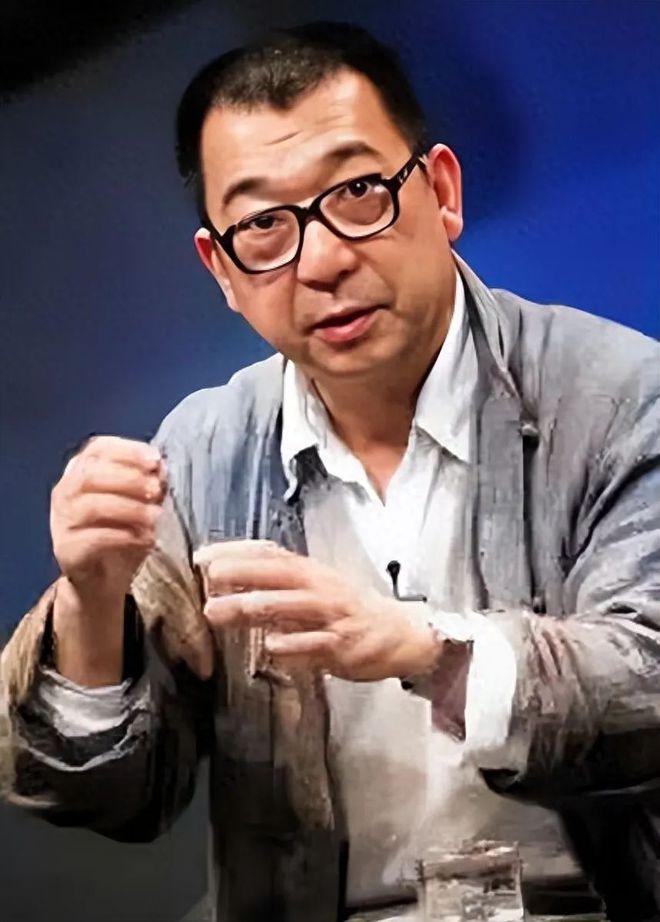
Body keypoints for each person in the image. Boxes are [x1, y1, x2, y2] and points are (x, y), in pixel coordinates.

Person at [2, 21, 659, 922]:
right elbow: (105, 794)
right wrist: (90, 600)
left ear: (441, 191)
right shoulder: (203, 451)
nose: (321, 260)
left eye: (356, 193)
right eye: (263, 225)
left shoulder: (621, 396)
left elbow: (647, 682)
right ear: (222, 270)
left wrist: (424, 648)